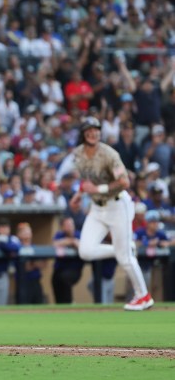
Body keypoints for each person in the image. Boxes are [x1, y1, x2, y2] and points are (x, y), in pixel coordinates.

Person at [69, 116, 154, 311]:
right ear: (83, 134)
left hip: (117, 205)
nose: (93, 133)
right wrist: (78, 194)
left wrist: (96, 189)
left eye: (96, 129)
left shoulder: (109, 154)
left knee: (125, 259)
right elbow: (86, 180)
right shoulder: (78, 154)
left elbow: (125, 182)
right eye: (89, 130)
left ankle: (144, 296)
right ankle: (122, 248)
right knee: (86, 251)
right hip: (98, 208)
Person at [134, 210, 171, 289]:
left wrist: (162, 243)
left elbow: (170, 242)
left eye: (156, 222)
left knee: (156, 286)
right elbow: (133, 242)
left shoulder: (160, 233)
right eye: (153, 222)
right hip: (142, 262)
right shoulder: (140, 232)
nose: (155, 224)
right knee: (142, 285)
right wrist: (147, 243)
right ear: (147, 223)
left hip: (156, 263)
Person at [51, 216, 84, 304]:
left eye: (71, 224)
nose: (70, 226)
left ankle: (69, 303)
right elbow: (54, 244)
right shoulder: (59, 235)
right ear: (63, 227)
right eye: (67, 225)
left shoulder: (79, 234)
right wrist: (71, 241)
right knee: (55, 279)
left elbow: (83, 247)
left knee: (64, 278)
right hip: (60, 268)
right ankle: (59, 306)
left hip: (74, 269)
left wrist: (75, 242)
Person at [15, 222, 46, 304]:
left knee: (39, 305)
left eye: (28, 231)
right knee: (23, 306)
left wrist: (33, 264)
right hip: (22, 283)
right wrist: (34, 263)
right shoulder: (16, 247)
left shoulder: (35, 247)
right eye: (24, 231)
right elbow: (26, 267)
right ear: (19, 234)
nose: (27, 233)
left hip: (36, 281)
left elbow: (43, 264)